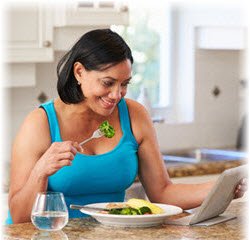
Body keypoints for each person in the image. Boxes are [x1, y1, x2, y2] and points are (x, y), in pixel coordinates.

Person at [6, 29, 246, 224]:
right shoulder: (40, 123)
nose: (116, 94)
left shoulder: (134, 115)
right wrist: (41, 171)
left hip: (112, 238)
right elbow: (19, 216)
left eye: (124, 84)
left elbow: (162, 192)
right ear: (79, 72)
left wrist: (221, 187)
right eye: (108, 83)